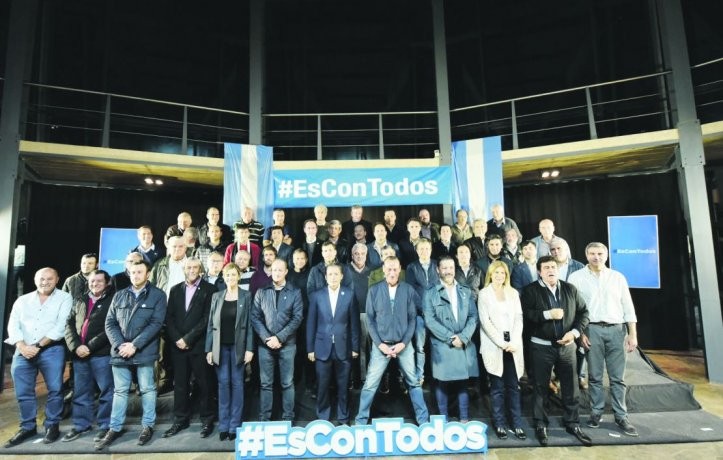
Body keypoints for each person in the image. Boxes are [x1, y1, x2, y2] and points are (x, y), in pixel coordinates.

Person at [568, 242, 639, 437]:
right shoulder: (576, 277)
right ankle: (596, 413)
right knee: (595, 376)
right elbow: (573, 309)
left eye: (600, 253)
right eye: (592, 253)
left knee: (617, 378)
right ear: (586, 255)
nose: (596, 257)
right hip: (591, 330)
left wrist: (632, 334)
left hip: (617, 330)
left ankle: (621, 416)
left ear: (606, 255)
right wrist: (580, 333)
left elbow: (628, 306)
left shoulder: (617, 277)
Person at [521, 256, 592, 447]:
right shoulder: (530, 290)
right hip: (541, 347)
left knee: (571, 386)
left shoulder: (570, 289)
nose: (551, 270)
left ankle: (573, 423)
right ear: (539, 272)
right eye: (546, 267)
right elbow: (526, 314)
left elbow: (584, 313)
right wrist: (547, 314)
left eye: (553, 267)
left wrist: (574, 333)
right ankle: (540, 424)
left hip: (567, 347)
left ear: (558, 269)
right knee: (540, 387)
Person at [97, 260, 167, 450]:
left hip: (144, 351)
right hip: (120, 352)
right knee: (120, 391)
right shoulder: (119, 295)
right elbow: (110, 323)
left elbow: (156, 323)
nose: (135, 275)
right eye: (133, 272)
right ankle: (115, 428)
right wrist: (121, 345)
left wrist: (135, 345)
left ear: (148, 274)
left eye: (139, 272)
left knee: (147, 389)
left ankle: (147, 426)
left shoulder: (158, 295)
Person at [355, 257, 429, 426]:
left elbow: (412, 319)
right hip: (381, 345)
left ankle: (423, 421)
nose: (392, 272)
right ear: (383, 270)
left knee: (413, 382)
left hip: (404, 345)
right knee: (370, 384)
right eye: (389, 269)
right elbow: (370, 320)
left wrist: (403, 343)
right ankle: (360, 422)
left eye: (395, 269)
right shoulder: (374, 290)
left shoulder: (408, 290)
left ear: (400, 269)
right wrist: (380, 345)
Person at [4, 268, 72, 448]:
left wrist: (38, 346)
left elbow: (61, 326)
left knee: (55, 390)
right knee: (23, 392)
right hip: (23, 350)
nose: (45, 282)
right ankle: (28, 427)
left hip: (51, 350)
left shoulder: (65, 298)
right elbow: (13, 325)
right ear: (35, 280)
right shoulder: (22, 300)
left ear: (57, 279)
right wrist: (22, 346)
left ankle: (52, 426)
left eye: (50, 279)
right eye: (42, 279)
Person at [163, 258, 216, 439]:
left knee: (205, 384)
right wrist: (178, 339)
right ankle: (180, 419)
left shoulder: (210, 290)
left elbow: (207, 319)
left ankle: (207, 419)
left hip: (199, 345)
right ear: (184, 269)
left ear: (201, 270)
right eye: (189, 267)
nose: (192, 270)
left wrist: (188, 338)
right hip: (178, 346)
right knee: (180, 385)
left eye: (195, 267)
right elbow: (169, 318)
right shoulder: (175, 290)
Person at [423, 256, 478, 423]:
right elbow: (429, 320)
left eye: (451, 267)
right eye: (444, 268)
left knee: (463, 383)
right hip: (442, 344)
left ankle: (464, 419)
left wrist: (463, 337)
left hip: (463, 343)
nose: (448, 271)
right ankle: (443, 420)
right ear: (438, 270)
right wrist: (450, 338)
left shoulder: (465, 291)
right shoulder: (430, 292)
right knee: (442, 383)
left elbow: (473, 316)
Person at [62, 269, 115, 443]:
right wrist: (76, 347)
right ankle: (81, 425)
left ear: (107, 283)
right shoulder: (80, 299)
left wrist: (89, 347)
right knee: (81, 392)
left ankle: (105, 426)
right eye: (92, 281)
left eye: (99, 281)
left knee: (107, 392)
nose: (95, 284)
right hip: (79, 355)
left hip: (102, 354)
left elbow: (112, 326)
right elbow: (68, 324)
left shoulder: (113, 299)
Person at [206, 263, 255, 442]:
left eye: (233, 275)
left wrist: (249, 348)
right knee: (223, 384)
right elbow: (211, 325)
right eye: (227, 275)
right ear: (224, 277)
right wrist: (208, 349)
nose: (230, 278)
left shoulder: (246, 296)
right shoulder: (216, 296)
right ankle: (224, 426)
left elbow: (250, 324)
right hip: (220, 348)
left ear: (238, 277)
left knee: (237, 384)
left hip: (238, 348)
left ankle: (234, 425)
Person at [306, 263, 360, 424]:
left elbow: (354, 323)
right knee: (322, 386)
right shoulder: (317, 296)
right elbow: (311, 323)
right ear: (325, 277)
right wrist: (310, 349)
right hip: (322, 347)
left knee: (343, 386)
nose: (333, 277)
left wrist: (355, 347)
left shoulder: (349, 294)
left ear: (342, 276)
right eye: (330, 274)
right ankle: (323, 417)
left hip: (344, 347)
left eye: (336, 274)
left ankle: (343, 417)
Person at [478, 261, 526, 440]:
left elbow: (519, 318)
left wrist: (514, 341)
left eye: (502, 273)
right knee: (497, 388)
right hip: (494, 346)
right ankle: (500, 424)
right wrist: (501, 342)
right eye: (496, 272)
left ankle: (517, 424)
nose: (499, 276)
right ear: (490, 274)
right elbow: (485, 322)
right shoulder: (484, 294)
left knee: (513, 387)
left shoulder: (513, 293)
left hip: (513, 346)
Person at [251, 259, 304, 421]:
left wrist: (279, 337)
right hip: (265, 345)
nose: (277, 273)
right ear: (271, 272)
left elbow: (297, 318)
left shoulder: (295, 292)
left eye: (280, 270)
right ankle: (264, 419)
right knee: (265, 384)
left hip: (287, 344)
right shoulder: (261, 291)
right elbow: (255, 317)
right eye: (274, 270)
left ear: (286, 272)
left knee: (287, 383)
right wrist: (268, 338)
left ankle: (288, 418)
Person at [405, 238, 439, 385]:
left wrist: (434, 310)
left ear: (430, 250)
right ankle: (420, 375)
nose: (424, 251)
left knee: (436, 345)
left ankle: (437, 374)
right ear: (417, 250)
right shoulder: (411, 267)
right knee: (419, 347)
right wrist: (424, 310)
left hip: (436, 314)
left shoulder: (437, 265)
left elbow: (441, 288)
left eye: (427, 248)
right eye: (421, 249)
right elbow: (411, 291)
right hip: (419, 314)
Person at [346, 243, 373, 386]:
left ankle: (366, 378)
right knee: (354, 348)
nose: (359, 256)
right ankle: (355, 378)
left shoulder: (372, 271)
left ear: (366, 255)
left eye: (362, 253)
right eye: (356, 253)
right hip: (350, 315)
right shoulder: (345, 270)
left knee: (368, 348)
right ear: (352, 255)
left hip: (368, 314)